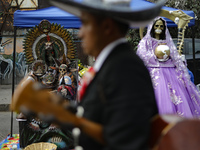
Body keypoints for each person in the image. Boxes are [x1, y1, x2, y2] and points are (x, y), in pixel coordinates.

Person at [11, 0, 165, 150]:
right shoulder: (111, 64)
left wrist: (69, 117)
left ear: (107, 26)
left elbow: (126, 141)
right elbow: (100, 118)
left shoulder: (127, 69)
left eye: (85, 23)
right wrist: (63, 110)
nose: (80, 33)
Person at [137, 17, 200, 119]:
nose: (159, 28)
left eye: (161, 26)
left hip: (170, 72)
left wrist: (172, 57)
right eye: (157, 25)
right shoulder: (146, 42)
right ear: (152, 27)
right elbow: (142, 55)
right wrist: (156, 55)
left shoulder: (167, 42)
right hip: (154, 72)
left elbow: (175, 57)